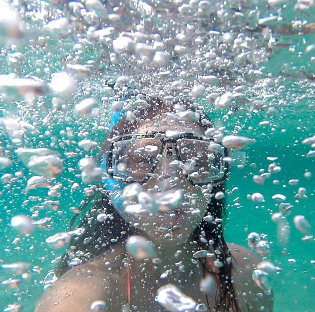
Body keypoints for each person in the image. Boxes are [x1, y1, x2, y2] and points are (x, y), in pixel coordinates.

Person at [35, 95, 274, 312]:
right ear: (111, 180)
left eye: (195, 159)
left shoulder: (246, 273)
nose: (172, 186)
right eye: (142, 160)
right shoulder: (79, 297)